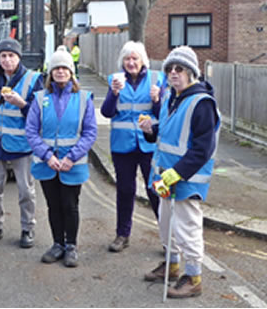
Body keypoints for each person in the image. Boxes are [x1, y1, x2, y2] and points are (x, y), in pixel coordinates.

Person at [139, 46, 220, 299]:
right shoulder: (170, 98)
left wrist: (176, 173)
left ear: (191, 72)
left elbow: (202, 149)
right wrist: (150, 130)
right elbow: (165, 134)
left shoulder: (201, 103)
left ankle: (194, 277)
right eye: (170, 69)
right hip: (164, 176)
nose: (174, 73)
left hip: (187, 178)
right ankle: (172, 266)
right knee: (166, 225)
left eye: (180, 69)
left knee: (187, 229)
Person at [25, 46, 97, 267]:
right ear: (50, 72)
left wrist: (71, 157)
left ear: (71, 72)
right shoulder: (39, 99)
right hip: (48, 164)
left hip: (71, 164)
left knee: (70, 205)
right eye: (56, 68)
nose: (60, 71)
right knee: (53, 206)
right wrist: (47, 156)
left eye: (65, 67)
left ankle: (71, 246)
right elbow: (31, 131)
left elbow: (89, 132)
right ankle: (57, 244)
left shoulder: (84, 99)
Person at [0, 38, 44, 248]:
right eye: (3, 56)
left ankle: (28, 229)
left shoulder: (33, 79)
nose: (7, 60)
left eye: (11, 56)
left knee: (26, 191)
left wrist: (22, 104)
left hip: (23, 144)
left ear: (19, 58)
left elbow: (40, 114)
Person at [100, 41, 165, 253]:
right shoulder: (114, 80)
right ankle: (122, 235)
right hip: (122, 145)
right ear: (122, 62)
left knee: (155, 190)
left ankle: (167, 237)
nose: (131, 62)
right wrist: (113, 93)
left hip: (149, 144)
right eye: (127, 59)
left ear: (142, 60)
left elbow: (164, 114)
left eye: (135, 58)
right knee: (125, 190)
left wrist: (157, 100)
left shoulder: (157, 79)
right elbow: (107, 112)